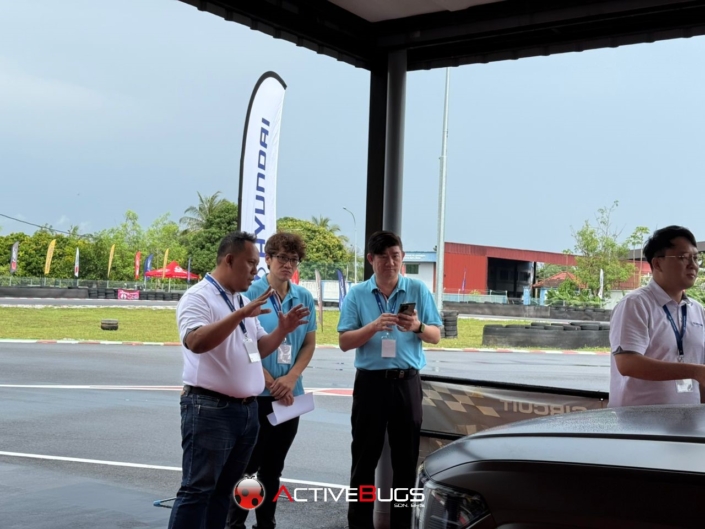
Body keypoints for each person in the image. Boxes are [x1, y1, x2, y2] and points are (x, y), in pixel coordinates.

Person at [168, 231, 310, 529]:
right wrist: (241, 314)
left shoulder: (240, 299)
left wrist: (282, 331)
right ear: (230, 260)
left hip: (245, 411)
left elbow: (258, 348)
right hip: (210, 408)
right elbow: (196, 341)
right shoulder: (199, 297)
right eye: (251, 263)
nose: (255, 271)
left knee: (225, 490)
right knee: (197, 490)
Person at [338, 230, 442, 529]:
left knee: (406, 462)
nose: (390, 262)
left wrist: (418, 326)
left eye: (395, 256)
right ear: (371, 259)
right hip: (370, 383)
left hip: (406, 383)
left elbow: (436, 335)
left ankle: (401, 524)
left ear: (403, 257)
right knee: (363, 461)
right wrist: (372, 327)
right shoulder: (358, 294)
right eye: (383, 257)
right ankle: (359, 525)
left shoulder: (417, 289)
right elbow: (344, 342)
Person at [226, 232, 317, 529]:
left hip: (290, 396)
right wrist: (269, 381)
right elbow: (246, 343)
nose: (288, 264)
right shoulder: (250, 294)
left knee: (274, 467)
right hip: (256, 395)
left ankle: (266, 523)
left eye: (294, 260)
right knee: (247, 467)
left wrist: (291, 378)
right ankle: (234, 523)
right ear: (268, 259)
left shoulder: (303, 297)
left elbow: (309, 343)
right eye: (282, 258)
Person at [609, 225, 705, 407]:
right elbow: (627, 363)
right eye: (683, 257)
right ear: (658, 264)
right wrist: (694, 371)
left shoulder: (697, 310)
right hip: (639, 419)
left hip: (688, 418)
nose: (693, 265)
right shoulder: (636, 304)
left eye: (695, 258)